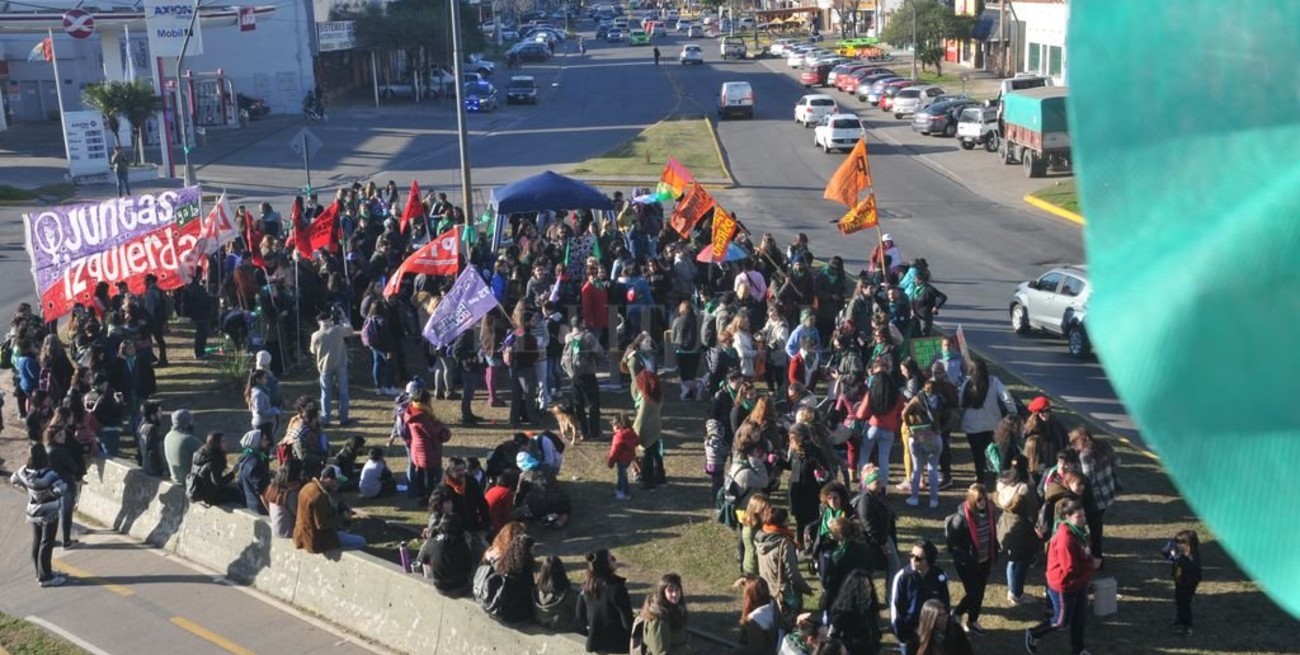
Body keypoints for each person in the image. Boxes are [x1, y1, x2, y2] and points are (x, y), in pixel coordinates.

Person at [1025, 499, 1096, 655]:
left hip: (1079, 582)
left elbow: (1085, 554)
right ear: (1067, 517)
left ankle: (1078, 649)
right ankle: (1034, 633)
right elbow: (1069, 568)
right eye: (1079, 516)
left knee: (1079, 618)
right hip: (1064, 585)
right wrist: (1090, 565)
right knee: (1060, 621)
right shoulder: (1066, 538)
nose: (1083, 519)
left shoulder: (1079, 531)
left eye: (1084, 515)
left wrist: (1087, 564)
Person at [11, 443, 68, 587]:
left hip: (33, 510)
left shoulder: (24, 471)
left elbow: (13, 480)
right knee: (47, 542)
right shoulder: (49, 474)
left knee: (37, 541)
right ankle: (46, 577)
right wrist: (50, 493)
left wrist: (28, 489)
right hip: (49, 512)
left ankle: (39, 572)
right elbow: (61, 489)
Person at [943, 484, 996, 636]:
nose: (983, 503)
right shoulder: (961, 519)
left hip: (984, 560)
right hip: (967, 564)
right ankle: (959, 614)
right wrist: (966, 558)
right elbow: (952, 546)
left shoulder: (989, 512)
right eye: (979, 500)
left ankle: (972, 620)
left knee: (979, 592)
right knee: (974, 592)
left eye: (984, 499)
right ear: (972, 500)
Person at [958, 359, 1015, 484]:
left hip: (971, 425)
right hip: (992, 423)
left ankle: (980, 477)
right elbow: (1007, 397)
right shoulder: (994, 381)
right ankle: (994, 472)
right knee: (993, 450)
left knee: (976, 452)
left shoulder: (967, 383)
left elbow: (960, 401)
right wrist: (1012, 411)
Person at [890, 540, 951, 655]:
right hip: (910, 634)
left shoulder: (940, 576)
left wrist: (944, 628)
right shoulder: (902, 577)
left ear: (929, 560)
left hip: (933, 632)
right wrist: (901, 634)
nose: (913, 560)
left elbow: (945, 604)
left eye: (918, 558)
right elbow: (896, 607)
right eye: (911, 555)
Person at [756, 507, 814, 628]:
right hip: (785, 593)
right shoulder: (784, 543)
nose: (789, 520)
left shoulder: (760, 537)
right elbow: (792, 573)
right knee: (791, 625)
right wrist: (805, 588)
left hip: (768, 587)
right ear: (781, 522)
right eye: (787, 518)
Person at [994, 457, 1041, 605]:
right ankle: (1017, 593)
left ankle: (1012, 590)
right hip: (1021, 529)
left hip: (1005, 525)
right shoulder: (1025, 489)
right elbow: (1034, 510)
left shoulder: (1003, 484)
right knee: (1022, 562)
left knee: (1012, 560)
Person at [293, 465, 366, 553]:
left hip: (301, 536)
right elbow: (322, 524)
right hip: (315, 540)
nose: (338, 484)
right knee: (361, 541)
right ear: (328, 479)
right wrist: (342, 518)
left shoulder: (308, 486)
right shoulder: (319, 496)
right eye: (336, 481)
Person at [854, 465, 900, 600]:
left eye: (880, 479)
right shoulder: (865, 500)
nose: (880, 482)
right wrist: (882, 543)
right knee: (873, 571)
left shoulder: (879, 495)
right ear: (868, 482)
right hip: (874, 542)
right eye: (876, 480)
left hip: (885, 537)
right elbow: (868, 526)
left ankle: (890, 597)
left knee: (894, 566)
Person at [855, 360, 904, 484]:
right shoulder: (897, 393)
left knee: (864, 457)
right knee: (884, 461)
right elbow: (901, 410)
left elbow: (860, 414)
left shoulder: (871, 392)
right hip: (889, 430)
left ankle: (864, 485)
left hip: (873, 427)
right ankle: (883, 487)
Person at [576, 549, 634, 653]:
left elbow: (580, 615)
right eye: (612, 558)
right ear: (606, 565)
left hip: (595, 643)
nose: (615, 560)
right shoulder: (617, 589)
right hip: (617, 645)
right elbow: (627, 624)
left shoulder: (586, 587)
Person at [417, 491, 473, 596]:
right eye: (448, 502)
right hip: (458, 585)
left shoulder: (434, 540)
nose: (451, 504)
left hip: (440, 585)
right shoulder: (460, 542)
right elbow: (469, 565)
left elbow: (422, 557)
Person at [407, 388, 452, 504]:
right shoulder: (421, 416)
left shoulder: (412, 411)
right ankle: (428, 498)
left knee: (421, 473)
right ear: (426, 400)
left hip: (418, 449)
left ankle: (420, 496)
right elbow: (432, 432)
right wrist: (442, 427)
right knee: (429, 476)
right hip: (427, 450)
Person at [310, 309, 353, 425]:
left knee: (325, 394)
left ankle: (326, 418)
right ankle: (344, 418)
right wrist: (344, 317)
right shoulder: (337, 330)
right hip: (340, 364)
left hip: (324, 366)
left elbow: (313, 351)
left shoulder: (315, 335)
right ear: (330, 320)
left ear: (319, 322)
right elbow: (350, 330)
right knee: (343, 392)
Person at [630, 362, 665, 490]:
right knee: (657, 454)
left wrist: (633, 432)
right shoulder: (658, 396)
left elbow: (641, 418)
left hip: (647, 429)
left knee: (648, 456)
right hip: (656, 426)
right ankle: (660, 476)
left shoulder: (646, 399)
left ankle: (648, 481)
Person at [1162, 529, 1202, 637]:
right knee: (1179, 600)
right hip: (1180, 581)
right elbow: (1171, 558)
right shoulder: (1182, 554)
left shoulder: (1193, 557)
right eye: (1178, 543)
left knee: (1185, 603)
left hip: (1188, 584)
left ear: (1189, 544)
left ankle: (1187, 625)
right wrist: (1168, 552)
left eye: (1181, 543)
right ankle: (1180, 618)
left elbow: (1190, 567)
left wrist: (1179, 559)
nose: (1178, 545)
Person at [641, 573, 689, 655]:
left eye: (677, 589)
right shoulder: (659, 620)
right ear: (662, 592)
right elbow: (660, 652)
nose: (674, 594)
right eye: (670, 590)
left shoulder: (676, 607)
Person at [190, 431, 240, 505]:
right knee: (238, 494)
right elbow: (218, 483)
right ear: (216, 443)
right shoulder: (214, 459)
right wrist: (233, 473)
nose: (226, 444)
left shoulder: (200, 453)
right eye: (223, 442)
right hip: (211, 497)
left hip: (199, 491)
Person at [735, 574, 780, 655]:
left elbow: (755, 650)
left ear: (750, 596)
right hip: (774, 647)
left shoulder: (754, 620)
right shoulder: (773, 604)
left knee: (739, 650)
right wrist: (746, 581)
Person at [534, 554, 579, 631]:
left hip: (542, 623)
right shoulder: (567, 595)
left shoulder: (536, 591)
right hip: (564, 628)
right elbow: (579, 610)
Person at [235, 429, 272, 514]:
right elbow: (262, 492)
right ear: (256, 442)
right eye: (264, 440)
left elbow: (240, 484)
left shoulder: (244, 459)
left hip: (250, 505)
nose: (267, 442)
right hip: (261, 508)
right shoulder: (256, 464)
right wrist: (271, 512)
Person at [264, 460, 303, 539]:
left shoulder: (273, 487)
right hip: (287, 534)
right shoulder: (289, 494)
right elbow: (300, 514)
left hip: (277, 531)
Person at [163, 409, 202, 484]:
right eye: (191, 421)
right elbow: (208, 454)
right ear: (187, 423)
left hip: (175, 478)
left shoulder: (168, 436)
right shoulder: (188, 439)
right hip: (188, 482)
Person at [607, 413, 638, 500]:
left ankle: (625, 493)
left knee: (623, 476)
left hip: (621, 460)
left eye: (614, 425)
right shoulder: (631, 433)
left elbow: (614, 451)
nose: (613, 427)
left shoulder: (618, 436)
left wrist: (610, 462)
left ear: (619, 425)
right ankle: (619, 489)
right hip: (629, 458)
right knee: (622, 474)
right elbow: (637, 441)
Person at [247, 369, 280, 439]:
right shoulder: (258, 393)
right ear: (258, 380)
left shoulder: (258, 390)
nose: (266, 380)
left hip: (263, 422)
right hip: (262, 424)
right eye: (264, 378)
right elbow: (259, 410)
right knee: (266, 443)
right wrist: (271, 412)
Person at [137, 400, 166, 477]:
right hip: (154, 471)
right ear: (152, 415)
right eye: (159, 412)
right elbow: (153, 453)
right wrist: (162, 470)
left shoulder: (141, 426)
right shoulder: (151, 429)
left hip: (146, 467)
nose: (161, 414)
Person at [484, 469, 518, 534]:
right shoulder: (506, 493)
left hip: (486, 522)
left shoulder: (493, 489)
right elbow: (507, 515)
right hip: (495, 527)